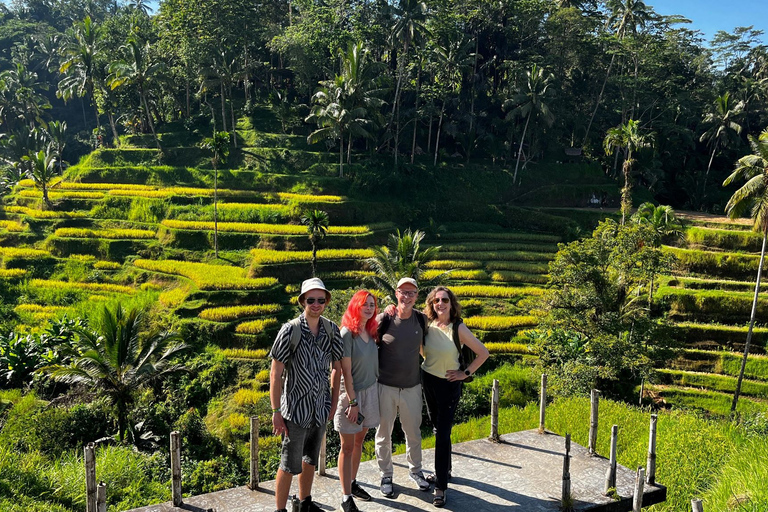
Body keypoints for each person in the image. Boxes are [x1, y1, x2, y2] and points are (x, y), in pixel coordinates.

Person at [269, 278, 343, 512]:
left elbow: (337, 368)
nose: (316, 304)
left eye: (321, 300)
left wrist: (332, 403)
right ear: (303, 301)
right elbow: (276, 373)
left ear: (326, 302)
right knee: (289, 464)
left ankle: (305, 503)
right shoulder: (290, 330)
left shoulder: (331, 330)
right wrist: (276, 412)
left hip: (320, 408)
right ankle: (280, 510)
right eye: (311, 300)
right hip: (295, 411)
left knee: (310, 458)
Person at [421, 286, 489, 508]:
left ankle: (440, 486)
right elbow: (424, 350)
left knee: (442, 433)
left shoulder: (458, 327)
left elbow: (483, 353)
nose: (440, 304)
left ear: (451, 303)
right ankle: (446, 470)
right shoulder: (428, 324)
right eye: (436, 301)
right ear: (431, 304)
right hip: (428, 380)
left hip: (449, 385)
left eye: (444, 300)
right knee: (437, 428)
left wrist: (464, 373)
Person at [375, 277, 431, 498]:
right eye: (403, 292)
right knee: (383, 434)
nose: (406, 297)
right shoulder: (384, 318)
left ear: (417, 296)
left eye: (411, 293)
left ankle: (416, 471)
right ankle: (386, 474)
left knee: (413, 433)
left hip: (412, 387)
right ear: (396, 293)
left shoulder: (421, 320)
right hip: (384, 386)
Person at [332, 290, 381, 512]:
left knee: (360, 441)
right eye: (365, 305)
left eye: (372, 305)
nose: (369, 308)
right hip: (351, 395)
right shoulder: (347, 333)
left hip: (370, 391)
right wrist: (352, 402)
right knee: (347, 446)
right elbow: (346, 372)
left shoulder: (371, 331)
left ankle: (352, 483)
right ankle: (345, 497)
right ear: (355, 306)